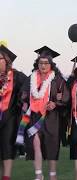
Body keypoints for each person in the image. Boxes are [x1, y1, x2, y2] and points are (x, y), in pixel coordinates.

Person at [16, 46, 69, 180]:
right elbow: (23, 93)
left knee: (51, 146)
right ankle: (38, 175)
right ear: (37, 63)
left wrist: (55, 103)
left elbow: (65, 97)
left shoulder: (57, 80)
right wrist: (24, 100)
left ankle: (52, 174)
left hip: (51, 117)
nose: (43, 65)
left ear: (51, 64)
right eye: (41, 63)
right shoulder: (31, 78)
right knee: (35, 144)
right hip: (34, 116)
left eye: (46, 63)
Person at [0, 45, 27, 180]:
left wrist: (23, 97)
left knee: (7, 146)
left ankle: (6, 177)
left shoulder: (17, 76)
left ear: (7, 61)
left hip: (10, 117)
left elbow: (28, 87)